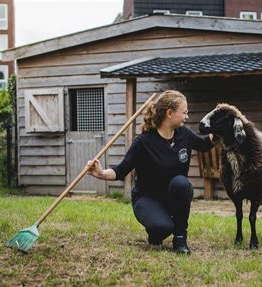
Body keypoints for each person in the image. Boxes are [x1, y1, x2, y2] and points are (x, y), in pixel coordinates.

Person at [86, 90, 216, 254]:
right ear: (170, 113)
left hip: (172, 196)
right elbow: (121, 170)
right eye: (184, 113)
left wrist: (220, 129)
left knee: (181, 183)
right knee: (162, 228)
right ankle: (156, 230)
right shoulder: (144, 141)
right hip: (147, 198)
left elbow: (205, 144)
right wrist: (101, 173)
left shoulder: (184, 134)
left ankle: (180, 239)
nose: (187, 117)